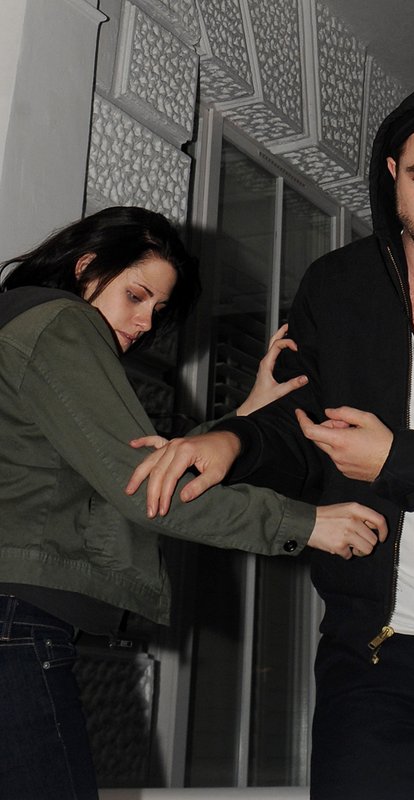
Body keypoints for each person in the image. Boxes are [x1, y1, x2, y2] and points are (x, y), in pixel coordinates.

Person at [126, 65, 414, 799]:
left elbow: (386, 457)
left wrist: (398, 459)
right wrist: (232, 440)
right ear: (390, 170)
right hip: (376, 655)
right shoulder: (336, 284)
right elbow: (297, 426)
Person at [0, 205, 387, 800]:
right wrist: (307, 524)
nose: (143, 322)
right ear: (86, 267)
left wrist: (244, 419)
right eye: (135, 296)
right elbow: (145, 489)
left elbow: (137, 466)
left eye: (157, 310)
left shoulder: (19, 325)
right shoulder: (61, 324)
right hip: (15, 622)